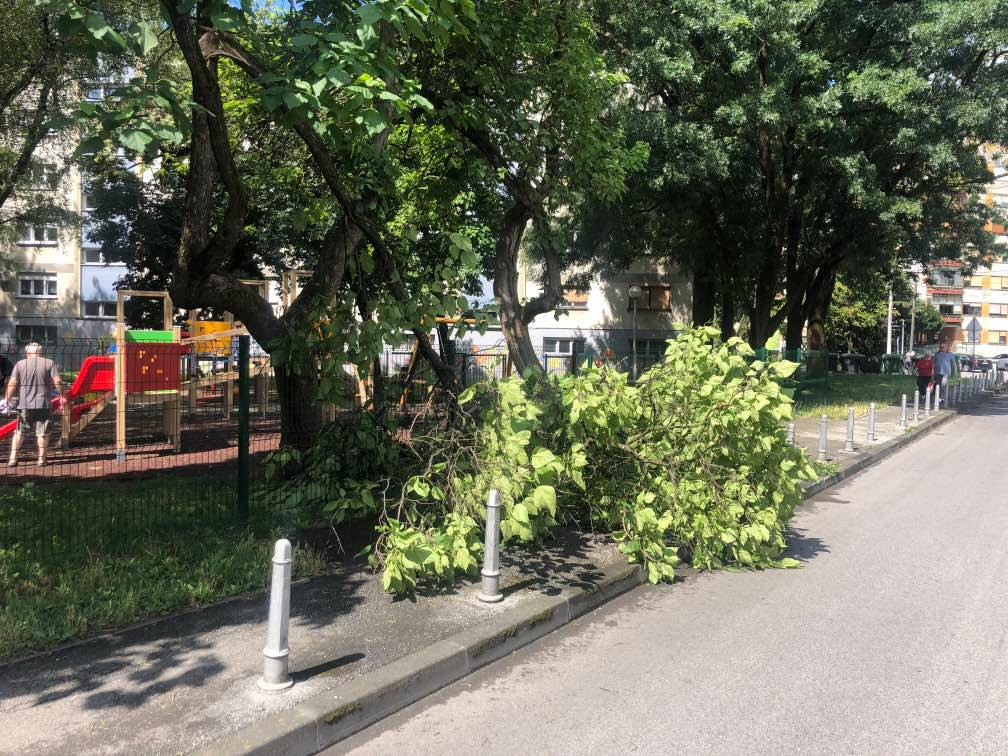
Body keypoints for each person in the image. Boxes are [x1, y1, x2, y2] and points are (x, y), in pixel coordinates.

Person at [4, 342, 66, 467]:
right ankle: (42, 459)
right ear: (41, 352)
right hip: (43, 403)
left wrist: (7, 399)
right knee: (42, 432)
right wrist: (62, 395)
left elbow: (12, 383)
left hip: (24, 404)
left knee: (19, 432)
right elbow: (58, 380)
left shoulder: (20, 364)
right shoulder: (49, 363)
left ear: (28, 353)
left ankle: (13, 458)